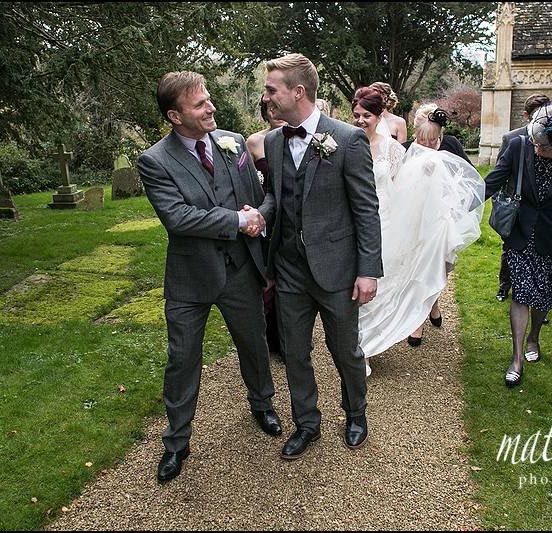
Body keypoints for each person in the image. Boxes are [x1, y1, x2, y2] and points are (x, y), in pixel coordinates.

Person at [136, 71, 282, 485]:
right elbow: (178, 217)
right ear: (174, 116)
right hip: (190, 277)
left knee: (254, 344)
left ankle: (263, 404)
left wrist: (259, 218)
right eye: (200, 104)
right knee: (182, 359)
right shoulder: (155, 161)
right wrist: (237, 219)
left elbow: (261, 195)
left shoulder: (231, 142)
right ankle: (177, 442)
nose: (211, 107)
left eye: (209, 99)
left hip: (240, 270)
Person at [262, 54, 382, 459]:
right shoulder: (275, 141)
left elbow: (366, 209)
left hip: (337, 270)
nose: (267, 97)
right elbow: (275, 199)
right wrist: (257, 218)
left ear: (297, 92)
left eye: (271, 89)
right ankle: (306, 424)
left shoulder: (347, 139)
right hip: (290, 270)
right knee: (294, 351)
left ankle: (356, 413)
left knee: (345, 350)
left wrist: (368, 270)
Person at [355, 90, 484, 375]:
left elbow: (411, 195)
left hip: (391, 220)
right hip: (388, 220)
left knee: (385, 278)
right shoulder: (418, 158)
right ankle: (367, 341)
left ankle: (371, 340)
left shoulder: (412, 157)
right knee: (383, 280)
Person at [483, 102, 552, 388]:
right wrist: (459, 204)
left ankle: (534, 337)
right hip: (520, 233)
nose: (536, 149)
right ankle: (517, 358)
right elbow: (492, 182)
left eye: (542, 147)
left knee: (544, 296)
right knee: (521, 293)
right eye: (535, 142)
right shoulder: (519, 147)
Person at [495, 93, 550, 303]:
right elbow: (500, 173)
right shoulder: (512, 138)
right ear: (527, 116)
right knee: (509, 249)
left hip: (543, 207)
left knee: (541, 254)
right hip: (516, 205)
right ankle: (504, 286)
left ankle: (537, 297)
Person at [246, 96, 287, 359]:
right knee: (267, 276)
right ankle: (268, 338)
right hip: (265, 213)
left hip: (291, 213)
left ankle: (287, 339)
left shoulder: (299, 136)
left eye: (278, 108)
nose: (275, 113)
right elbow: (248, 179)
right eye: (270, 110)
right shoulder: (253, 141)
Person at [403, 103, 473, 166]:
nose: (427, 144)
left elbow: (470, 172)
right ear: (415, 131)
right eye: (422, 139)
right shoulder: (405, 150)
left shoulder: (451, 144)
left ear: (439, 133)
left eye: (433, 139)